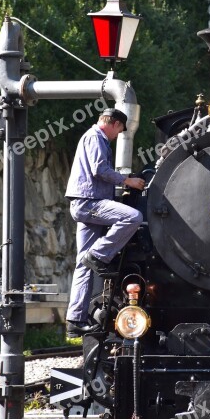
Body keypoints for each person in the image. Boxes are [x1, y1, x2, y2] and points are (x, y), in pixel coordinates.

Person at [65, 108, 145, 337]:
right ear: (115, 124)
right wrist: (127, 180)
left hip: (88, 202)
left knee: (83, 265)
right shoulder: (95, 138)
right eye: (119, 130)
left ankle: (74, 320)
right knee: (132, 217)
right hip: (89, 202)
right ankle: (99, 254)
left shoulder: (94, 138)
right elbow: (99, 169)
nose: (118, 135)